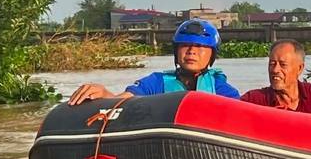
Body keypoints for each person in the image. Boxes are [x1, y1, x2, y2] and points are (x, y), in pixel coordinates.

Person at [68, 18, 239, 105]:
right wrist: (104, 94)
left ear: (212, 55)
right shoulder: (156, 82)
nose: (191, 51)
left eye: (199, 47)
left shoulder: (222, 89)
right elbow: (124, 101)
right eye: (185, 45)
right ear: (176, 50)